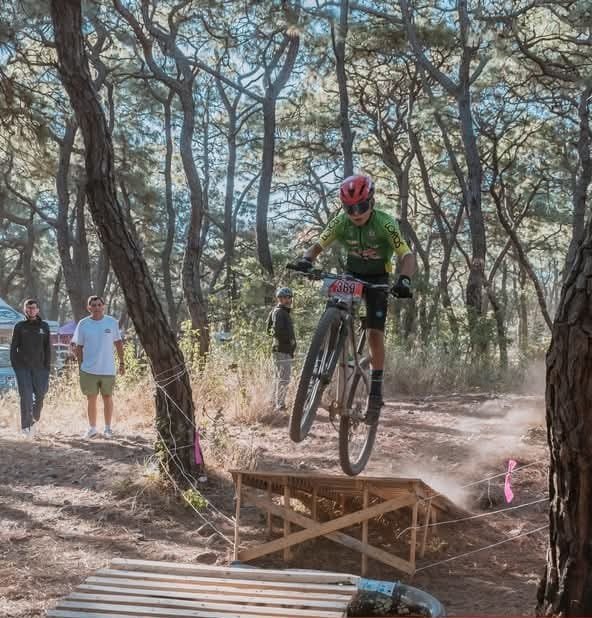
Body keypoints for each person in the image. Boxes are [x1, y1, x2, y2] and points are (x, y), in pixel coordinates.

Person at [290, 174, 416, 425]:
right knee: (333, 305)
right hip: (352, 275)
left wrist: (404, 280)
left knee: (374, 335)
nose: (356, 213)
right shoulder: (340, 222)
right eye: (349, 208)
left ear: (372, 201)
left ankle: (376, 391)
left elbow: (407, 254)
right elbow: (318, 245)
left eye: (361, 206)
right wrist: (306, 260)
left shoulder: (385, 223)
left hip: (378, 279)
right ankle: (326, 351)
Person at [72, 295, 125, 439]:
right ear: (88, 308)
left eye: (99, 305)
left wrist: (122, 363)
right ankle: (92, 429)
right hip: (88, 369)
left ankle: (108, 429)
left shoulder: (111, 322)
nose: (96, 308)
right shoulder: (83, 324)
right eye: (93, 305)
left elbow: (118, 343)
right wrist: (81, 365)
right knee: (91, 399)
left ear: (103, 306)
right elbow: (79, 346)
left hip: (108, 368)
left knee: (107, 397)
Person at [10, 299, 51, 437]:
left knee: (40, 395)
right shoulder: (19, 326)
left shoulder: (44, 326)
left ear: (38, 310)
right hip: (23, 368)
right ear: (24, 310)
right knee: (26, 396)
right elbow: (13, 347)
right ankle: (25, 427)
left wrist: (47, 367)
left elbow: (48, 348)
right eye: (28, 308)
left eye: (33, 308)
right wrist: (16, 366)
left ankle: (34, 419)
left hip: (40, 368)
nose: (31, 310)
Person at [266, 287, 297, 411]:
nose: (289, 300)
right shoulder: (280, 312)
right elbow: (276, 331)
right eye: (286, 298)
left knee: (278, 377)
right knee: (284, 378)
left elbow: (269, 331)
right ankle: (280, 404)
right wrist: (289, 341)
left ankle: (273, 402)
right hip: (282, 350)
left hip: (280, 349)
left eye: (290, 297)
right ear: (280, 299)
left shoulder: (278, 312)